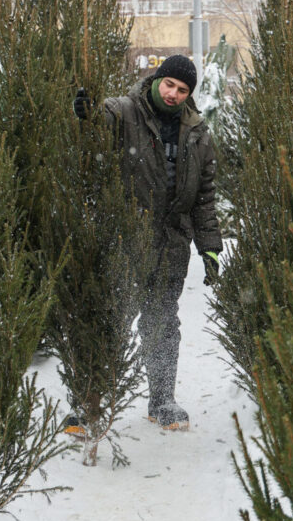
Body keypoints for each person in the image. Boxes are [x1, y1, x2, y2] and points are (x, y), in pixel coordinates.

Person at [72, 54, 222, 431]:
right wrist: (85, 112)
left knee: (162, 323)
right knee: (111, 320)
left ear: (189, 94)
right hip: (127, 238)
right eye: (169, 84)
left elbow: (204, 196)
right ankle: (90, 404)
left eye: (182, 89)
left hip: (171, 244)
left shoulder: (198, 134)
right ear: (157, 80)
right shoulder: (124, 112)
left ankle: (162, 401)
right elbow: (96, 122)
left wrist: (210, 247)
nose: (173, 94)